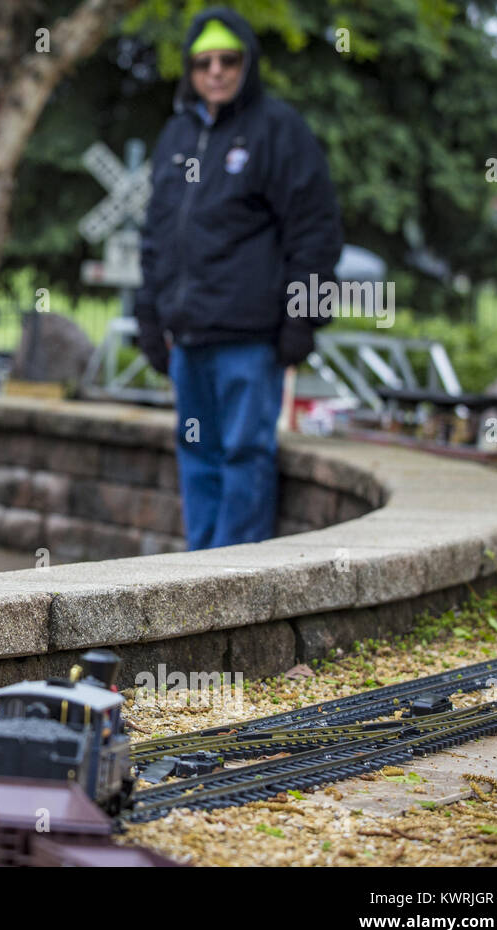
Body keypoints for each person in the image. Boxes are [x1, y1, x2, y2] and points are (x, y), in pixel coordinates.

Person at [136, 7, 343, 550]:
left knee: (245, 453)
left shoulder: (278, 130)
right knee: (197, 453)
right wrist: (147, 313)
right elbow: (156, 232)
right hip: (188, 339)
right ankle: (198, 573)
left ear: (246, 64)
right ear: (190, 69)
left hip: (251, 338)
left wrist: (305, 317)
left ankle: (234, 580)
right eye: (204, 62)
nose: (217, 71)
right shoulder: (176, 134)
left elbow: (314, 228)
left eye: (229, 60)